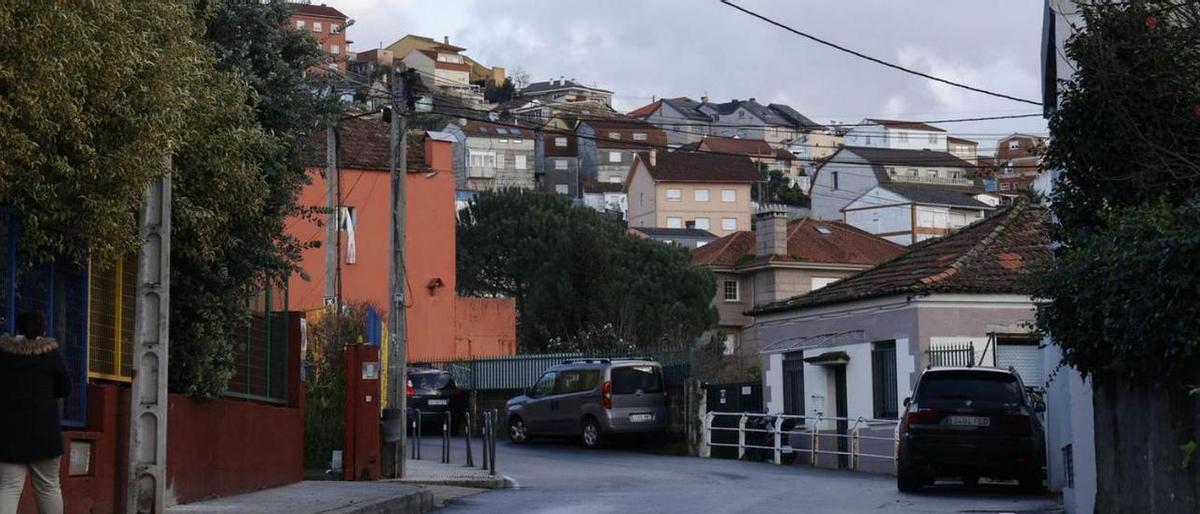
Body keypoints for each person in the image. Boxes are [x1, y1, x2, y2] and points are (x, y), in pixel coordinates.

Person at [0, 311, 68, 514]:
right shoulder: (50, 355)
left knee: (8, 487)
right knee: (49, 487)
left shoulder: (3, 354)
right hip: (44, 431)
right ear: (43, 330)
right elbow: (65, 388)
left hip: (9, 432)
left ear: (17, 328)